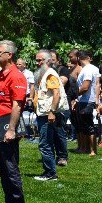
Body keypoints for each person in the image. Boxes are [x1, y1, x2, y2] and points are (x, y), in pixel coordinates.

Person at [0, 40, 28, 203]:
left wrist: (11, 129)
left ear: (9, 55)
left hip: (6, 126)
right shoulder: (1, 74)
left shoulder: (16, 76)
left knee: (10, 165)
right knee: (2, 167)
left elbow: (17, 106)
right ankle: (9, 200)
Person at [32, 50, 68, 182]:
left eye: (40, 60)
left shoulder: (50, 74)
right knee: (47, 143)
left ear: (48, 60)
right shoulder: (44, 74)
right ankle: (49, 170)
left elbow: (56, 93)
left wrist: (52, 112)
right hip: (44, 113)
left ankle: (50, 173)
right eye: (36, 60)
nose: (37, 63)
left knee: (45, 144)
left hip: (48, 114)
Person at [75, 50, 100, 156]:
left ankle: (92, 150)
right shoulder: (94, 68)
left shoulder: (87, 70)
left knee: (88, 125)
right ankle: (87, 149)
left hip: (86, 100)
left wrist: (74, 94)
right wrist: (96, 99)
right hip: (89, 100)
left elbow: (85, 87)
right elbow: (98, 85)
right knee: (86, 125)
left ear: (78, 58)